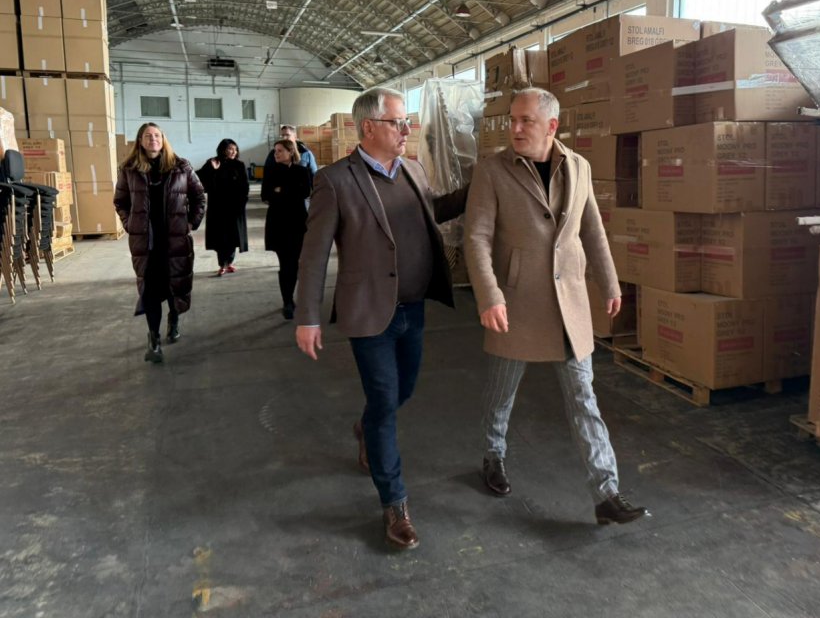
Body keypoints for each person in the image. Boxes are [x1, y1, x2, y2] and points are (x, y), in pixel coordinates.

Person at [463, 87, 649, 526]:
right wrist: (490, 295)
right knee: (501, 394)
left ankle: (606, 493)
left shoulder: (579, 167)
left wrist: (610, 283)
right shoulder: (493, 171)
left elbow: (592, 229)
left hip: (569, 306)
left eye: (525, 120)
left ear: (551, 126)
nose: (515, 128)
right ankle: (492, 455)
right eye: (512, 120)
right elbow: (477, 237)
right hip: (516, 304)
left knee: (585, 398)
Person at [295, 87, 467, 551]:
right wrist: (307, 316)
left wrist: (480, 186)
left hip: (413, 308)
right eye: (398, 122)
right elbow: (313, 256)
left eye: (407, 121)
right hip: (369, 313)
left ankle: (366, 427)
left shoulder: (413, 170)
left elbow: (434, 209)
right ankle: (395, 504)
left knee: (400, 392)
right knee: (386, 398)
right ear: (368, 127)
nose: (407, 129)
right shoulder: (335, 181)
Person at [113, 122, 206, 364]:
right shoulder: (129, 169)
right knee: (150, 291)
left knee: (175, 283)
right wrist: (130, 223)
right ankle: (153, 338)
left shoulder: (181, 166)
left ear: (163, 139)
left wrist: (191, 222)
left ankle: (174, 318)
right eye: (148, 135)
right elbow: (120, 201)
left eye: (157, 135)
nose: (153, 139)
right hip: (146, 244)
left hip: (175, 240)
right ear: (140, 141)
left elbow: (199, 195)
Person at [261, 139, 312, 319]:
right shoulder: (271, 171)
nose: (276, 154)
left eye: (280, 150)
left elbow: (305, 192)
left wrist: (280, 191)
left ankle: (291, 297)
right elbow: (265, 195)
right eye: (275, 151)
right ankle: (287, 301)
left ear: (291, 152)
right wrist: (288, 191)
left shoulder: (301, 171)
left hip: (297, 223)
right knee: (285, 264)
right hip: (278, 223)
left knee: (295, 263)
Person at [196, 139, 249, 277]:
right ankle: (222, 264)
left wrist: (242, 203)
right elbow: (199, 180)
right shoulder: (213, 162)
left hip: (235, 206)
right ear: (223, 149)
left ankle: (228, 262)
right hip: (218, 207)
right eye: (230, 149)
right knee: (220, 237)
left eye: (235, 149)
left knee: (232, 237)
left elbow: (245, 186)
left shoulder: (239, 165)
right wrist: (211, 169)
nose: (233, 152)